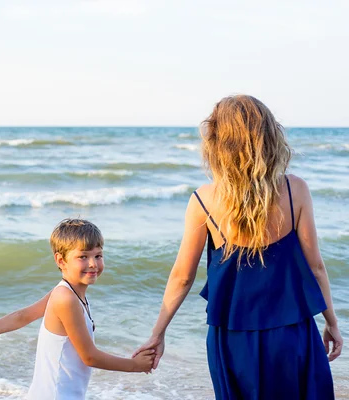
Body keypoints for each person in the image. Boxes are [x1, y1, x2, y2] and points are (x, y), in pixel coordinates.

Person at [134, 95, 343, 399]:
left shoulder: (203, 200)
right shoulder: (294, 189)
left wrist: (158, 333)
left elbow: (182, 276)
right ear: (269, 137)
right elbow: (316, 267)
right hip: (292, 332)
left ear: (217, 142)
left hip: (231, 338)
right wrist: (332, 323)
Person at [0, 218, 156, 400]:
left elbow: (23, 316)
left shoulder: (68, 293)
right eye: (83, 257)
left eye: (98, 255)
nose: (93, 264)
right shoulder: (65, 298)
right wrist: (134, 366)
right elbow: (89, 356)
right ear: (61, 261)